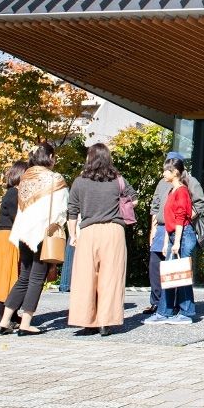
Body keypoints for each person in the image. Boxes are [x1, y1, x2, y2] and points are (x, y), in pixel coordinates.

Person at [0, 142, 68, 336]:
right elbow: (61, 208)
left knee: (24, 277)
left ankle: (4, 320)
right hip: (42, 232)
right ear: (50, 157)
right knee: (37, 277)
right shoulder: (55, 178)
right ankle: (26, 322)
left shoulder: (26, 177)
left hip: (23, 231)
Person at [66, 143, 134, 337]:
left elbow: (72, 210)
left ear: (90, 158)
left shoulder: (79, 181)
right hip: (114, 231)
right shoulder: (118, 180)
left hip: (88, 231)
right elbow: (134, 198)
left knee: (85, 278)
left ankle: (87, 321)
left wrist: (73, 235)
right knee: (111, 278)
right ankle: (106, 322)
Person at [144, 151, 204, 315]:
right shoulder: (164, 183)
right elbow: (155, 206)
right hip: (165, 228)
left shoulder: (188, 184)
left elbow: (197, 205)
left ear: (176, 168)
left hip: (180, 229)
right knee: (157, 266)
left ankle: (180, 308)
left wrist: (185, 221)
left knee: (178, 269)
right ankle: (160, 305)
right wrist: (154, 229)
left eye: (168, 165)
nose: (164, 171)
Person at [0, 160, 27, 330]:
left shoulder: (13, 193)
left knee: (10, 276)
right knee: (6, 277)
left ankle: (11, 315)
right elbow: (17, 218)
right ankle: (0, 317)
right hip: (7, 238)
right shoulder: (13, 194)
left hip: (7, 237)